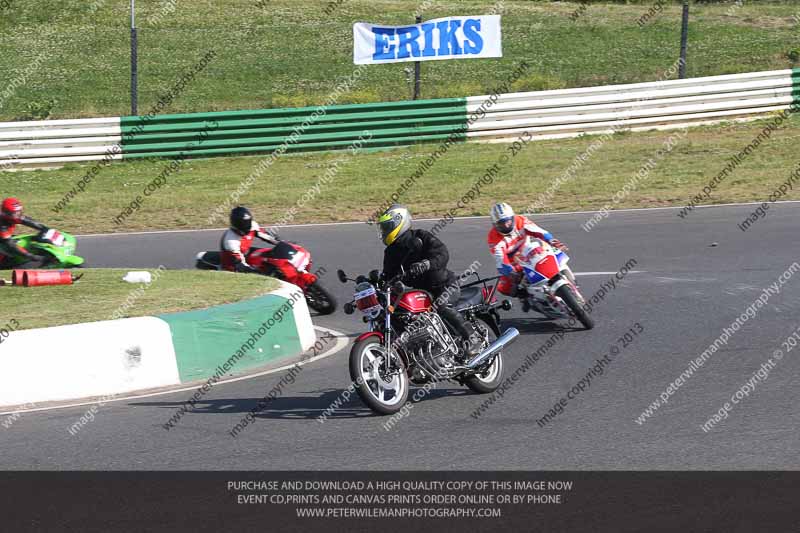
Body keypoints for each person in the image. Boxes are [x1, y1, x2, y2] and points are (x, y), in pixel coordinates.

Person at [377, 203, 481, 358]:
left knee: (442, 305)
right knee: (399, 314)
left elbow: (442, 253)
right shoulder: (390, 252)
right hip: (420, 292)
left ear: (400, 222)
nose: (384, 231)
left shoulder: (421, 237)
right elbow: (388, 275)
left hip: (444, 286)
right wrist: (378, 282)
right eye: (383, 228)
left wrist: (427, 264)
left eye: (387, 226)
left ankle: (473, 339)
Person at [487, 202, 568, 298]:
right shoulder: (493, 238)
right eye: (501, 223)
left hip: (531, 251)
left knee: (556, 253)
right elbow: (500, 260)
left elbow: (538, 231)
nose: (506, 226)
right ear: (494, 224)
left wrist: (552, 240)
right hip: (514, 264)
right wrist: (511, 272)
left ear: (513, 217)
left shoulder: (520, 221)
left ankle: (567, 276)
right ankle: (527, 298)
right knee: (503, 288)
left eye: (507, 221)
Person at [219, 206, 280, 274]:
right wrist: (256, 271)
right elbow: (240, 265)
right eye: (243, 224)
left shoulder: (253, 225)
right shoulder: (231, 241)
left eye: (247, 222)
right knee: (263, 272)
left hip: (246, 253)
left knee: (271, 254)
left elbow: (265, 236)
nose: (246, 226)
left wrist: (281, 243)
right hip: (233, 268)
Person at [0, 197, 50, 269]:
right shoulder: (2, 225)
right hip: (3, 244)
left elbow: (30, 222)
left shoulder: (11, 216)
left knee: (25, 240)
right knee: (10, 251)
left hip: (3, 240)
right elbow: (10, 244)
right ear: (6, 213)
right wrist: (31, 256)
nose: (18, 215)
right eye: (15, 213)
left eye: (19, 212)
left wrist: (45, 229)